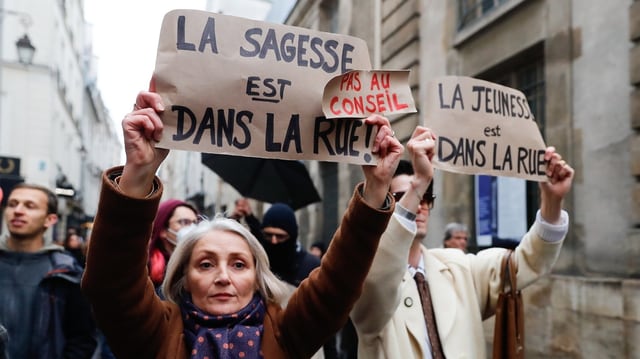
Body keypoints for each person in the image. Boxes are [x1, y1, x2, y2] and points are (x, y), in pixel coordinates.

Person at [80, 89, 403, 358]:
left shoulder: (286, 332)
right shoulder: (157, 334)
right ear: (184, 278)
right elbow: (111, 284)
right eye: (205, 265)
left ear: (257, 277)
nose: (223, 277)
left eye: (238, 264)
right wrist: (138, 172)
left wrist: (376, 190)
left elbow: (339, 281)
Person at [350, 126, 575, 358]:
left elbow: (524, 263)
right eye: (402, 197)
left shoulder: (458, 267)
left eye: (427, 197)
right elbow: (374, 292)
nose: (419, 205)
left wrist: (552, 203)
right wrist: (418, 184)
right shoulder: (366, 278)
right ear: (385, 207)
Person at [0, 183, 97, 358]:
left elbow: (82, 339)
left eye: (30, 206)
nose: (18, 211)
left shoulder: (66, 272)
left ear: (50, 219)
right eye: (13, 204)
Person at [148, 198, 199, 295]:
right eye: (184, 222)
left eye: (195, 223)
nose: (192, 228)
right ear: (163, 230)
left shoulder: (198, 261)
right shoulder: (148, 265)